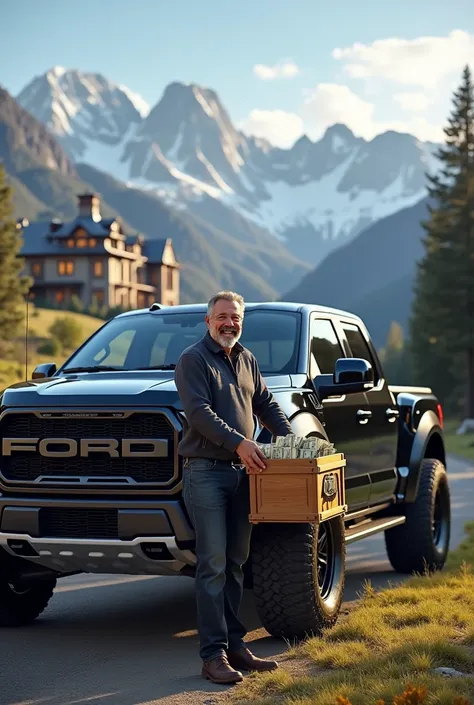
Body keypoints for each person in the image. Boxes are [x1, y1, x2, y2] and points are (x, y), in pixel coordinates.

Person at [174, 291, 293, 685]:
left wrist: (289, 436)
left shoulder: (246, 358)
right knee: (213, 565)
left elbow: (266, 402)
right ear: (208, 322)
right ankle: (212, 656)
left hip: (244, 473)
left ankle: (236, 646)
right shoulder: (193, 359)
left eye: (235, 317)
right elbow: (198, 414)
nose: (229, 323)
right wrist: (240, 443)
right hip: (205, 472)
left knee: (237, 562)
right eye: (222, 316)